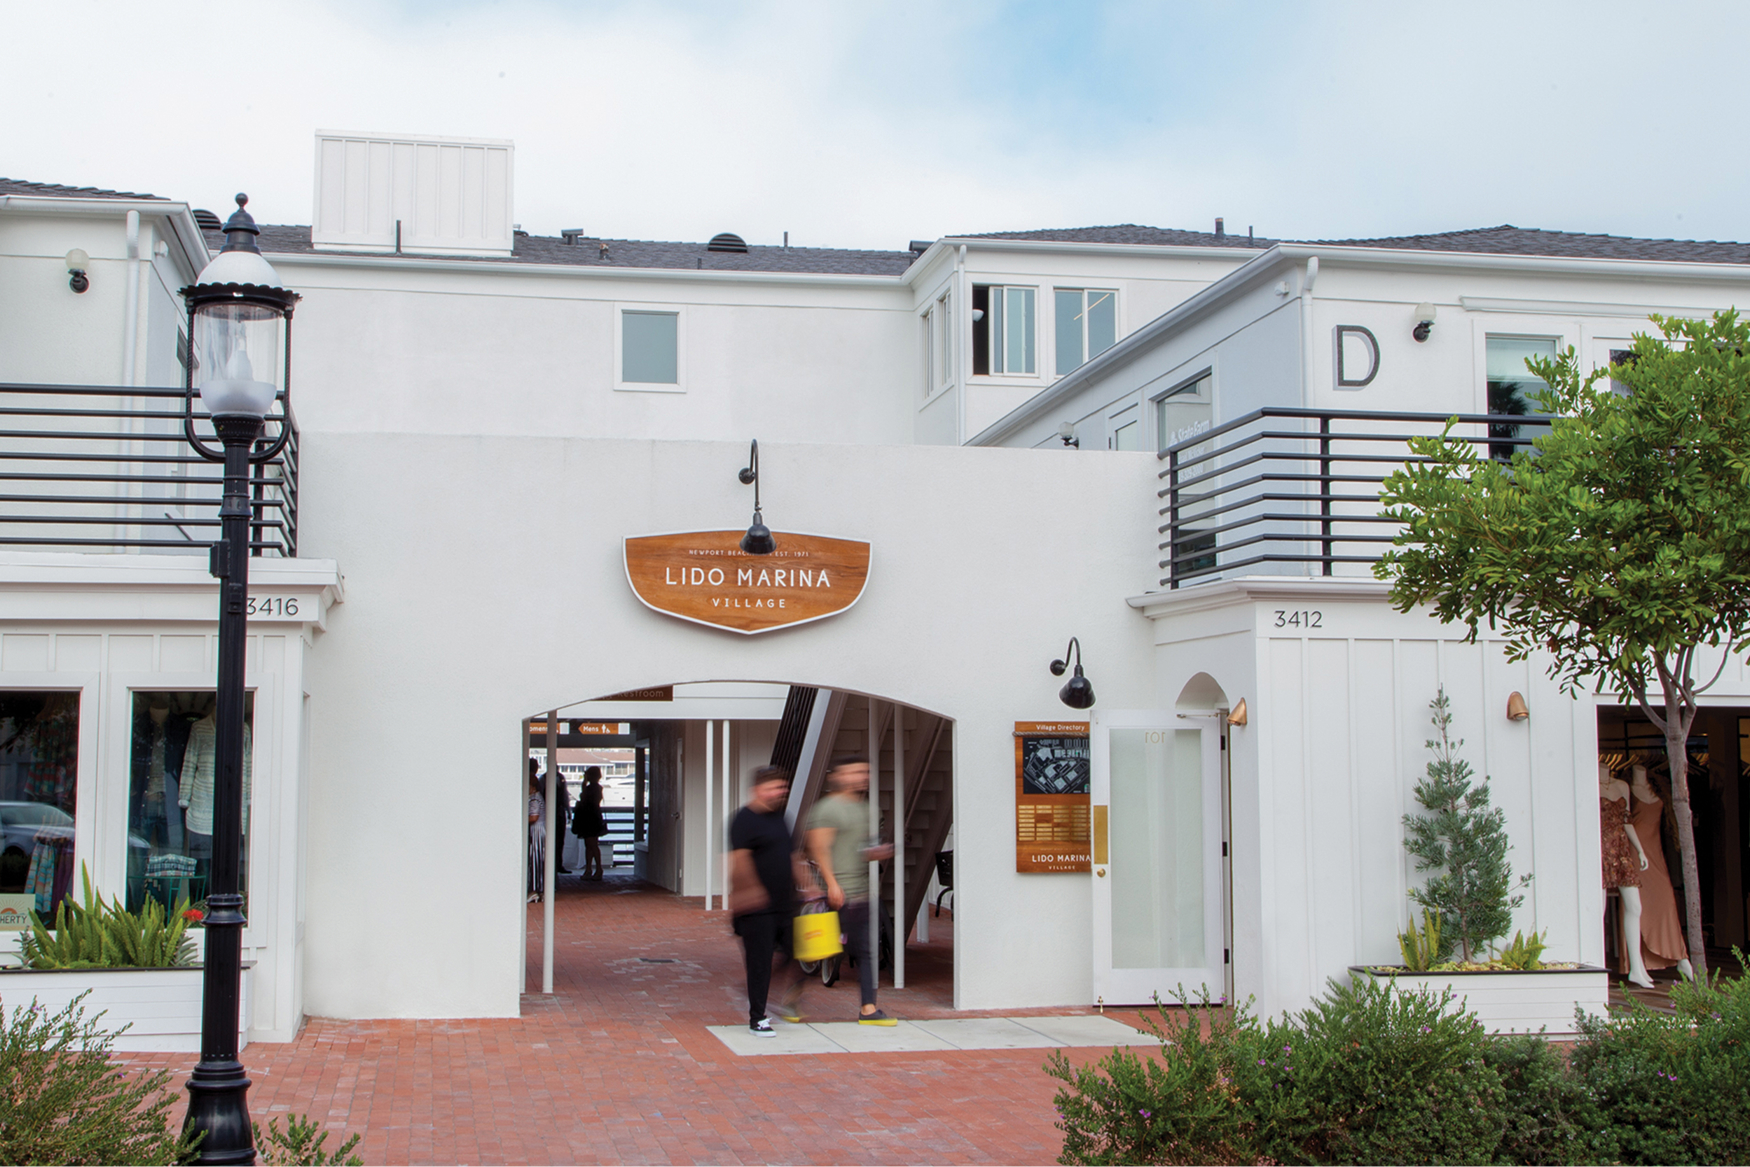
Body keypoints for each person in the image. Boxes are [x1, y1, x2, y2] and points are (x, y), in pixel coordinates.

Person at [805, 755, 897, 1025]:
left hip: (861, 893)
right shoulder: (827, 809)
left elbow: (862, 850)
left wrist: (877, 853)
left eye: (864, 772)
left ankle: (868, 1009)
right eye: (855, 772)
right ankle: (791, 994)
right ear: (839, 776)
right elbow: (818, 848)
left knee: (866, 950)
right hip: (836, 893)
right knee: (817, 948)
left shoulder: (869, 810)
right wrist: (831, 884)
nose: (861, 777)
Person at [728, 765, 806, 1036]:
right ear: (757, 790)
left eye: (782, 787)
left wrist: (811, 887)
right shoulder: (743, 820)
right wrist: (751, 891)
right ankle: (757, 1018)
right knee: (759, 961)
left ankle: (760, 991)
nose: (780, 792)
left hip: (785, 903)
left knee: (796, 952)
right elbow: (738, 860)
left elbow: (793, 856)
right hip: (755, 907)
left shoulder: (781, 818)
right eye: (774, 787)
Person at [573, 766, 609, 880]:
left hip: (589, 819)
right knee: (590, 844)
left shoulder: (591, 788)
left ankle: (597, 868)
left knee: (591, 844)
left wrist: (584, 783)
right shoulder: (597, 788)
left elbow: (584, 798)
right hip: (593, 818)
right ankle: (589, 869)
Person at [527, 767, 547, 904]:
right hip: (540, 830)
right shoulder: (538, 797)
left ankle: (535, 890)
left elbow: (534, 817)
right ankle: (539, 890)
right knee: (538, 860)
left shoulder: (534, 799)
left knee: (535, 860)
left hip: (537, 831)